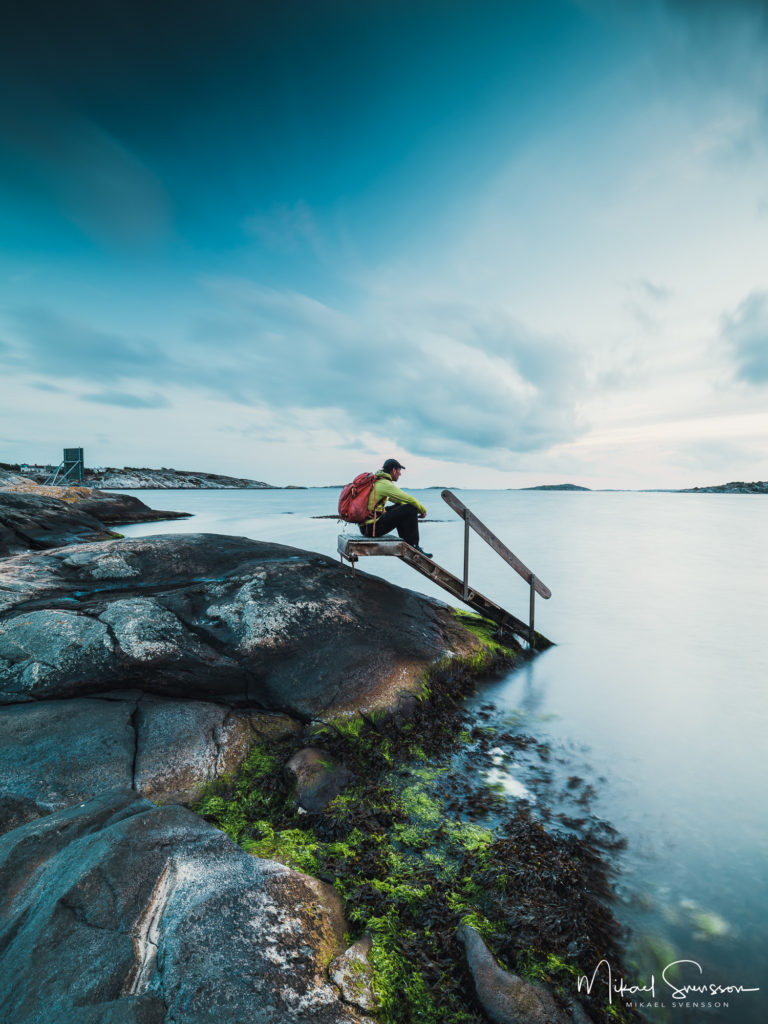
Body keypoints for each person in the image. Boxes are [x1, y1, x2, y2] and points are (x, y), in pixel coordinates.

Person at [359, 458, 432, 557]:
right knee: (411, 508)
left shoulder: (378, 481)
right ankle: (414, 546)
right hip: (372, 529)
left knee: (403, 506)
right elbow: (410, 499)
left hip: (366, 528)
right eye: (399, 471)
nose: (400, 474)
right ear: (394, 470)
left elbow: (400, 501)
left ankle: (408, 542)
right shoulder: (385, 484)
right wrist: (422, 510)